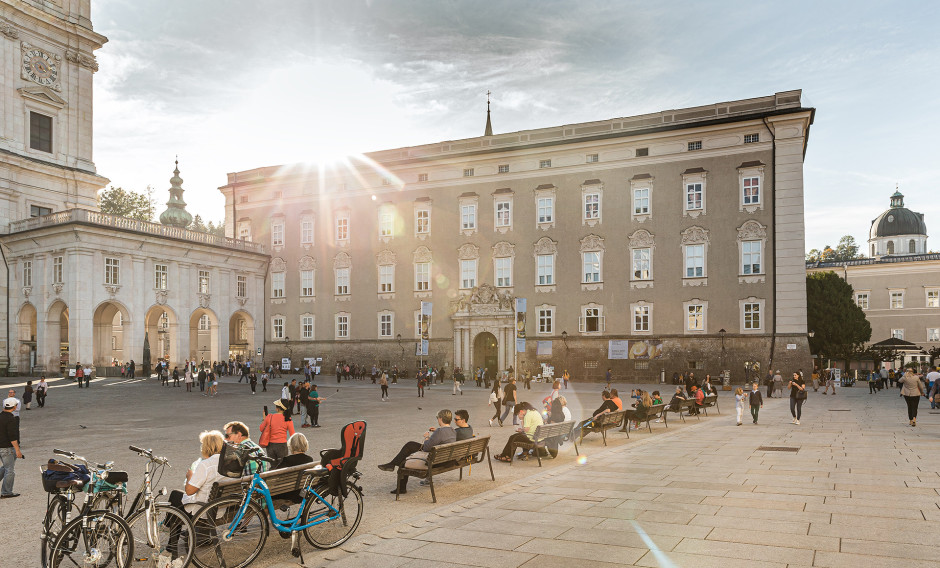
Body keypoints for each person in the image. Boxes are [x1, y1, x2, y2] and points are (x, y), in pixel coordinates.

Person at [377, 409, 456, 494]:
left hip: (434, 461)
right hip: (444, 459)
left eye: (437, 418)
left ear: (440, 418)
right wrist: (435, 432)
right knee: (410, 445)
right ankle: (392, 464)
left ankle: (400, 486)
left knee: (404, 461)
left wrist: (427, 437)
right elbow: (443, 437)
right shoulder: (452, 430)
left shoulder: (439, 431)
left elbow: (426, 447)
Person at [169, 430, 225, 511]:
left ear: (206, 447)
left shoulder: (205, 465)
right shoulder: (229, 462)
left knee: (175, 495)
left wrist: (189, 477)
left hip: (204, 511)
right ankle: (170, 523)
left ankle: (168, 524)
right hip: (222, 509)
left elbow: (189, 491)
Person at [0, 397, 24, 498]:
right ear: (15, 407)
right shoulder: (11, 419)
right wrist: (18, 450)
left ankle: (6, 491)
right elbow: (12, 437)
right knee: (10, 470)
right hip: (7, 448)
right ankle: (6, 492)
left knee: (5, 467)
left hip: (0, 446)